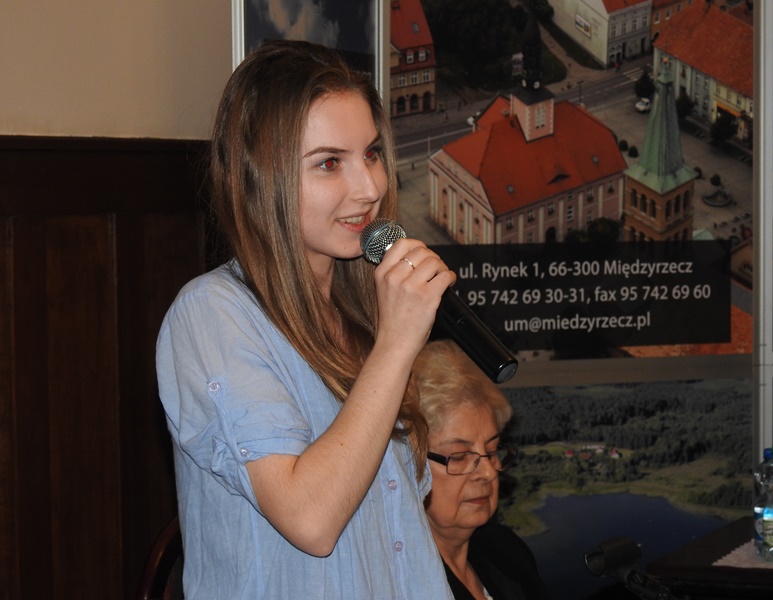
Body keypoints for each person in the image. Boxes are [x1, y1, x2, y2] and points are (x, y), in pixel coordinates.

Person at [156, 39, 457, 599]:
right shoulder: (212, 314)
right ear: (259, 177)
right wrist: (396, 345)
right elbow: (311, 520)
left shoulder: (365, 312)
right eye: (329, 163)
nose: (370, 188)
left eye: (371, 154)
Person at [413, 340, 550, 600]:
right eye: (460, 456)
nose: (488, 472)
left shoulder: (506, 550)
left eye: (492, 450)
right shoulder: (397, 583)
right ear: (407, 464)